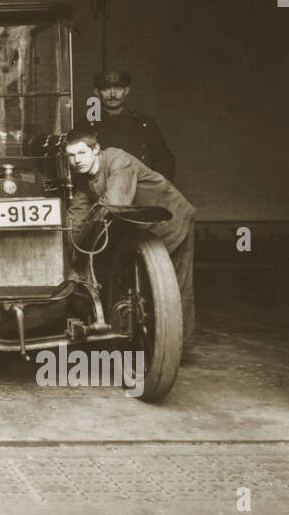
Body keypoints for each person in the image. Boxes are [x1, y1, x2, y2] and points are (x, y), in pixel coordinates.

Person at [62, 127, 195, 352]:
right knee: (144, 287)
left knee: (174, 286)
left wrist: (84, 251)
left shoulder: (119, 160)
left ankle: (180, 349)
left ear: (96, 150)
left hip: (171, 221)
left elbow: (114, 203)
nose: (76, 161)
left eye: (82, 153)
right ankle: (152, 345)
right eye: (71, 156)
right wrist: (71, 256)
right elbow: (76, 217)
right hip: (142, 231)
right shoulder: (84, 178)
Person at [86, 69, 175, 181]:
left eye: (118, 89)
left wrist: (155, 187)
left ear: (126, 91)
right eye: (106, 89)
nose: (113, 94)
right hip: (104, 190)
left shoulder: (145, 123)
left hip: (142, 187)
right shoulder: (86, 125)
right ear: (97, 93)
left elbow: (164, 160)